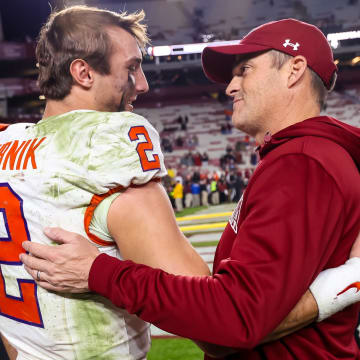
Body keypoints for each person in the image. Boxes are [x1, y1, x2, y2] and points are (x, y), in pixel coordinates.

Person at [19, 17, 360, 360]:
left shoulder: (302, 163)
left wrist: (98, 272)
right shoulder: (298, 158)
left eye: (244, 70)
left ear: (294, 70)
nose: (230, 87)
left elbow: (232, 320)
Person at [0, 5, 211, 360]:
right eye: (131, 67)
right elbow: (204, 311)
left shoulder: (7, 143)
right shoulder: (108, 143)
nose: (142, 83)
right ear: (83, 72)